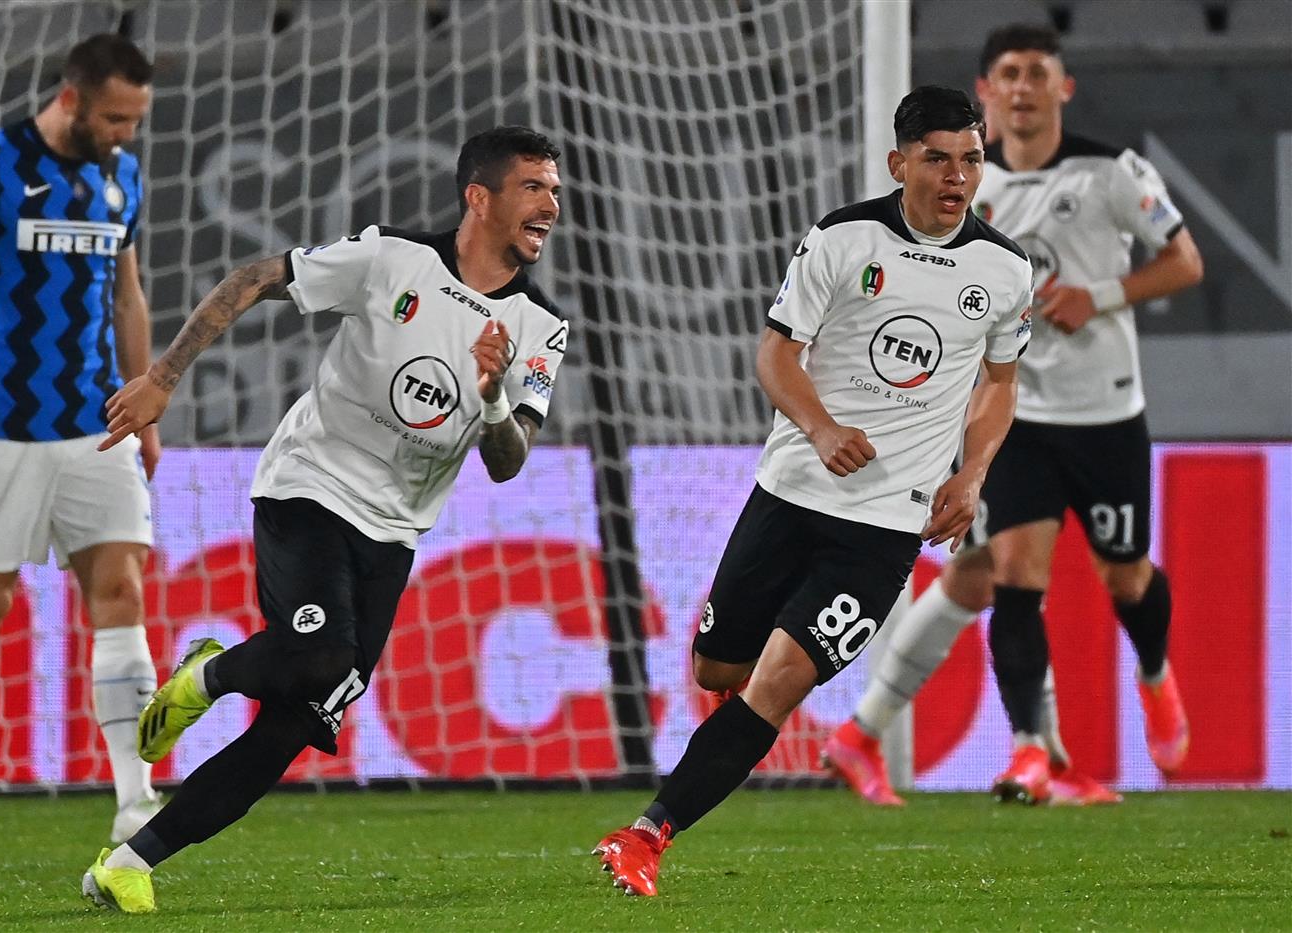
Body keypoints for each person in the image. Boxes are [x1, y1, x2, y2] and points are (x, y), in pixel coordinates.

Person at [79, 125, 568, 914]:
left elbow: (508, 461)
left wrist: (494, 395)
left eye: (554, 189)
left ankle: (129, 861)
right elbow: (250, 279)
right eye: (534, 188)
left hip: (396, 532)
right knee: (316, 655)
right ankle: (206, 674)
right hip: (309, 487)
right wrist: (163, 378)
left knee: (300, 720)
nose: (552, 203)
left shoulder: (540, 329)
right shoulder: (392, 259)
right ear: (480, 197)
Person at [593, 86, 1032, 897]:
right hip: (793, 490)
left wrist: (971, 474)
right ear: (898, 161)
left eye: (970, 159)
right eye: (936, 158)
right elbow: (774, 355)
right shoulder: (843, 236)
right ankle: (726, 728)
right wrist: (822, 428)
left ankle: (647, 833)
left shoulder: (1004, 269)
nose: (955, 177)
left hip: (885, 527)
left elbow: (999, 383)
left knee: (780, 680)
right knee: (716, 667)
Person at [821, 23, 1203, 808]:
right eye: (1008, 75)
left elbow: (1185, 261)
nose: (1023, 88)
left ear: (1062, 89)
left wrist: (1095, 297)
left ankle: (1155, 675)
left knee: (1123, 577)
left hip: (1107, 414)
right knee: (1009, 577)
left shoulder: (1111, 172)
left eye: (1038, 73)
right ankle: (1033, 750)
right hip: (1012, 415)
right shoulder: (959, 187)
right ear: (987, 92)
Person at [0, 34, 161, 847]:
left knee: (122, 592)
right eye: (116, 117)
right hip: (1, 424)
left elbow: (129, 294)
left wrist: (145, 404)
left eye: (137, 119)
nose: (127, 133)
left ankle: (136, 796)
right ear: (73, 99)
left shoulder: (124, 175)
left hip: (97, 424)